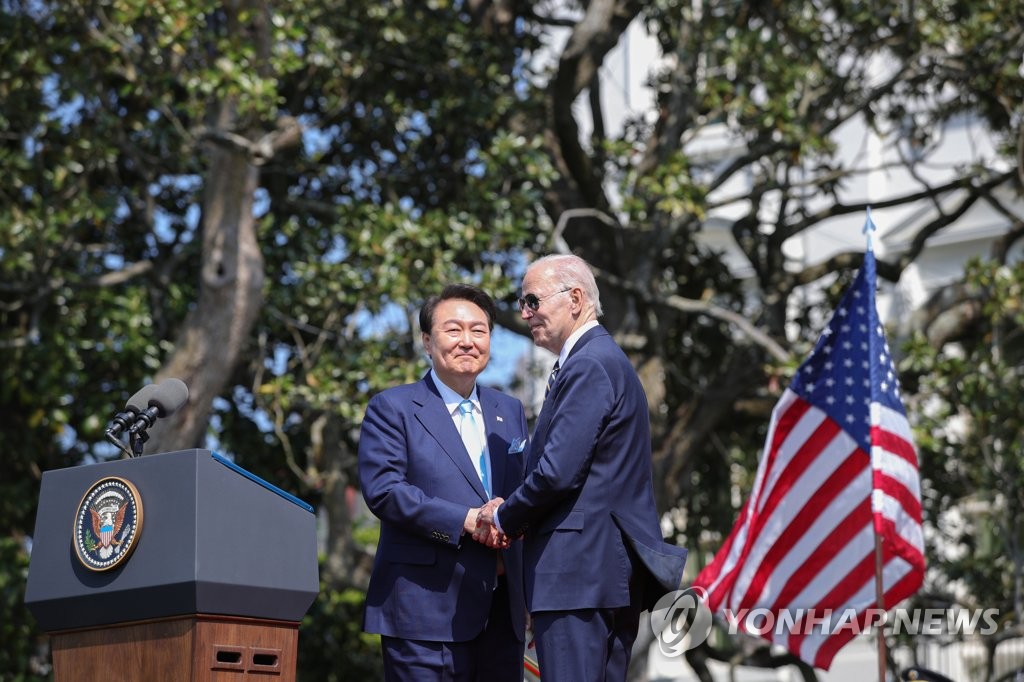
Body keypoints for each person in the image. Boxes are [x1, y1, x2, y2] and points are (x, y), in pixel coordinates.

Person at [477, 254, 688, 681]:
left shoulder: (589, 364)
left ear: (575, 298)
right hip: (598, 575)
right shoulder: (600, 361)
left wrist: (502, 516)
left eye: (532, 300)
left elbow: (557, 472)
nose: (524, 313)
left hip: (578, 576)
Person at [358, 283, 528, 681]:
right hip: (424, 614)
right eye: (454, 330)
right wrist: (466, 519)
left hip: (503, 612)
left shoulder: (510, 409)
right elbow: (384, 490)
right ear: (426, 341)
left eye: (479, 330)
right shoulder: (393, 408)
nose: (467, 341)